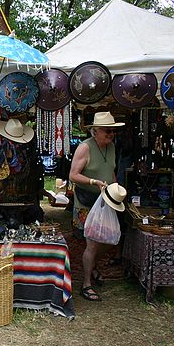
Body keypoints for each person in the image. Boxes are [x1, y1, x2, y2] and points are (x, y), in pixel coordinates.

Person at [69, 112, 124, 301]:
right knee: (92, 243)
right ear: (95, 131)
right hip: (87, 201)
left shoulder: (112, 147)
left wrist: (116, 190)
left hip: (107, 201)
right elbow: (73, 175)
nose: (111, 134)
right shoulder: (85, 148)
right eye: (107, 131)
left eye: (113, 131)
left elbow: (111, 172)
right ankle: (86, 284)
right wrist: (94, 181)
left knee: (107, 240)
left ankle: (93, 268)